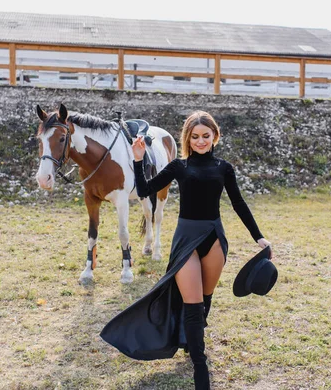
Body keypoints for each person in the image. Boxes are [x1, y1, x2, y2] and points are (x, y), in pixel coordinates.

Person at [100, 111, 271, 390]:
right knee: (192, 304)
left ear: (214, 136)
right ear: (188, 139)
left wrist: (258, 237)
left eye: (206, 136)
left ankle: (193, 342)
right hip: (186, 240)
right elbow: (145, 191)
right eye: (195, 137)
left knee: (204, 300)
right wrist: (138, 159)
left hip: (214, 236)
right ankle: (200, 370)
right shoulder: (179, 167)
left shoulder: (224, 168)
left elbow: (239, 204)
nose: (201, 141)